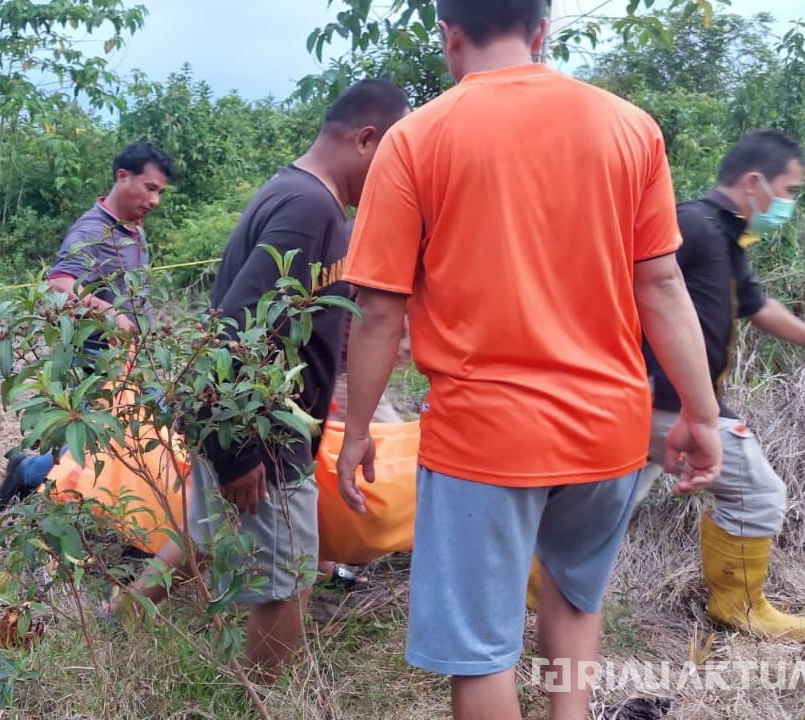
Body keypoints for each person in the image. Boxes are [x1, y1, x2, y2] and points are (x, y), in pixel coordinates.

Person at [333, 3, 724, 719]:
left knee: (482, 654)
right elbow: (662, 285)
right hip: (610, 430)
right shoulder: (630, 127)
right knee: (574, 601)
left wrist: (358, 428)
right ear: (542, 31)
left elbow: (381, 309)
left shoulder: (417, 138)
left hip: (485, 438)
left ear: (449, 35)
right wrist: (702, 413)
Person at [117, 78, 412, 682]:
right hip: (258, 433)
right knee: (289, 586)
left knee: (203, 535)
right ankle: (251, 696)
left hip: (251, 424)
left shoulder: (297, 194)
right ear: (366, 139)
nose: (395, 175)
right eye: (393, 156)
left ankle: (117, 617)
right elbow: (233, 330)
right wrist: (238, 451)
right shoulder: (311, 209)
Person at [635, 130, 805, 641]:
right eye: (790, 189)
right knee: (757, 492)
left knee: (604, 504)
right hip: (668, 401)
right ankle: (739, 606)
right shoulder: (692, 225)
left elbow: (755, 306)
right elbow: (631, 289)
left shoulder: (723, 234)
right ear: (756, 182)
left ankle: (539, 595)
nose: (789, 204)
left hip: (665, 399)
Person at [0, 142, 174, 510]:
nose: (155, 200)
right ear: (123, 177)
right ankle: (30, 474)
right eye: (150, 188)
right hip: (98, 354)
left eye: (160, 192)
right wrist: (109, 313)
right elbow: (59, 284)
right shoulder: (92, 230)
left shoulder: (133, 229)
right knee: (104, 434)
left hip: (134, 353)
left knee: (129, 429)